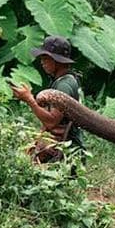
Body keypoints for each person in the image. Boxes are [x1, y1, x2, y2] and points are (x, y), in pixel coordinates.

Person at [11, 35, 85, 165]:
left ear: (57, 61)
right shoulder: (67, 79)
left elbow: (51, 122)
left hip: (68, 154)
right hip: (66, 150)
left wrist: (29, 100)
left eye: (45, 59)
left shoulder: (64, 85)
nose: (42, 62)